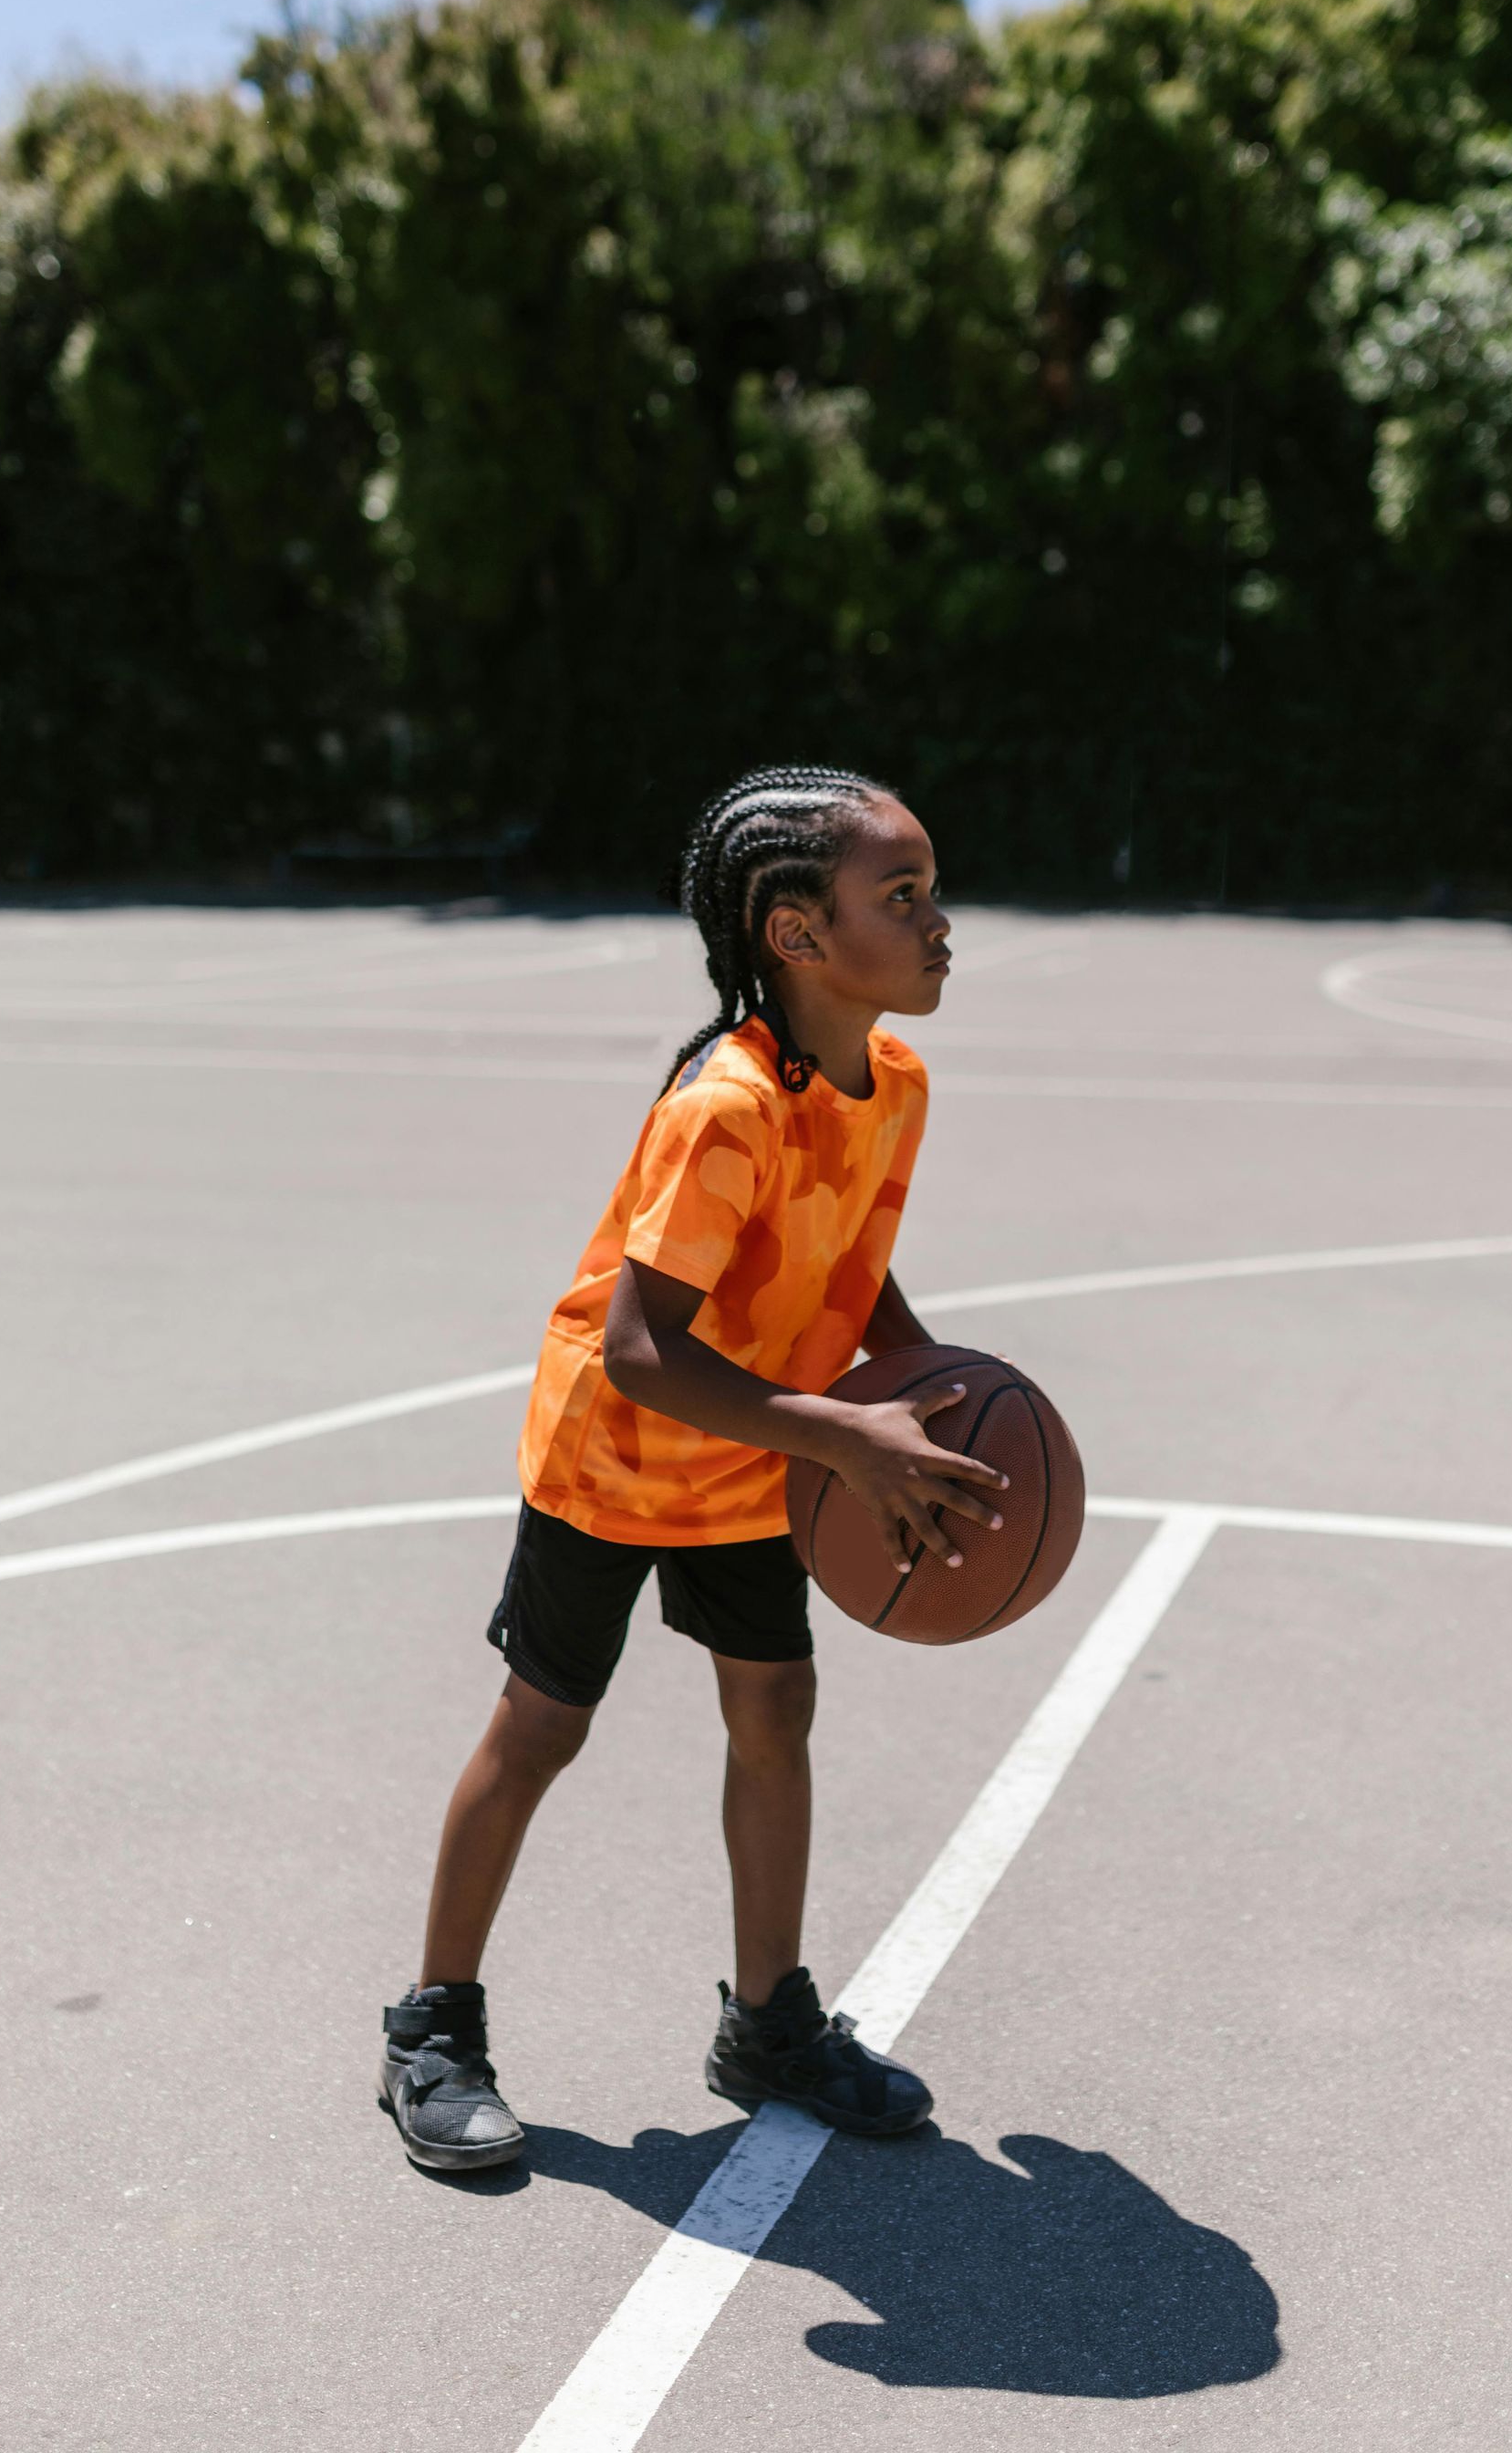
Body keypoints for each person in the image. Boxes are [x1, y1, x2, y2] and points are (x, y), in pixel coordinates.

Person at [379, 764, 1009, 2169]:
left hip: (751, 1454)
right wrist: (845, 1430)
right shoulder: (726, 1105)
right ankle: (431, 2026)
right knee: (542, 1726)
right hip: (614, 1455)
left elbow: (851, 1256)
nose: (938, 922)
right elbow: (641, 1347)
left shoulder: (890, 1081)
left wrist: (919, 1384)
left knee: (775, 1707)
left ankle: (768, 2023)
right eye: (899, 898)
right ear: (794, 932)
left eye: (930, 892)